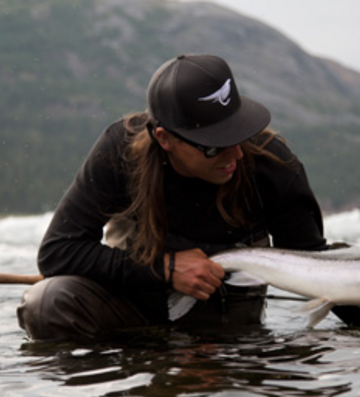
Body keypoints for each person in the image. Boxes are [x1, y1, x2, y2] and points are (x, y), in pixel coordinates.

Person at [17, 54, 329, 342]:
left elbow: (319, 271)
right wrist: (163, 269)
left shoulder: (273, 164)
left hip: (226, 329)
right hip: (131, 308)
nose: (234, 154)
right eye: (213, 145)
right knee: (46, 303)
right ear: (165, 139)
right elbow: (58, 252)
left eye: (239, 134)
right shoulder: (119, 152)